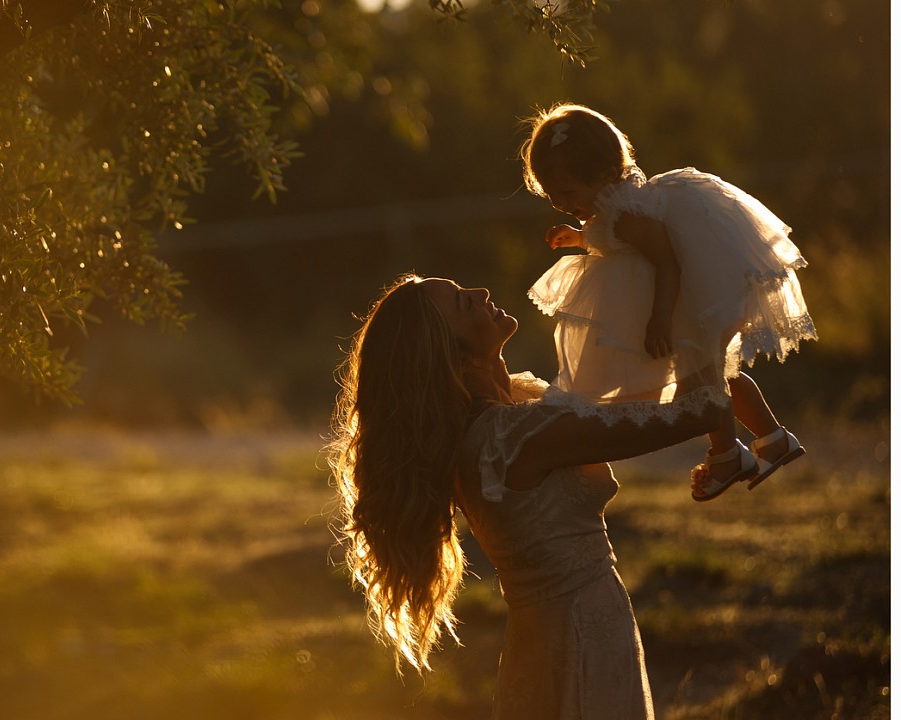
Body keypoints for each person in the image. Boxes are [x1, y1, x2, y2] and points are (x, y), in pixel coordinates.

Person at [327, 274, 718, 718]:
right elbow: (699, 411)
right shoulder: (511, 439)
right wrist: (704, 319)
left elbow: (648, 401)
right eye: (461, 303)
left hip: (566, 631)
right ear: (450, 350)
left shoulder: (509, 415)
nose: (480, 292)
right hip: (576, 639)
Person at [520, 102, 816, 501]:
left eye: (567, 193)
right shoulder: (613, 206)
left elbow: (665, 261)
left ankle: (728, 454)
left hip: (678, 300)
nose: (558, 202)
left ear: (606, 175)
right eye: (551, 194)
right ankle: (773, 439)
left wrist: (659, 319)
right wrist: (578, 236)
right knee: (717, 373)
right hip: (681, 301)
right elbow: (612, 238)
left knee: (700, 384)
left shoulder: (626, 215)